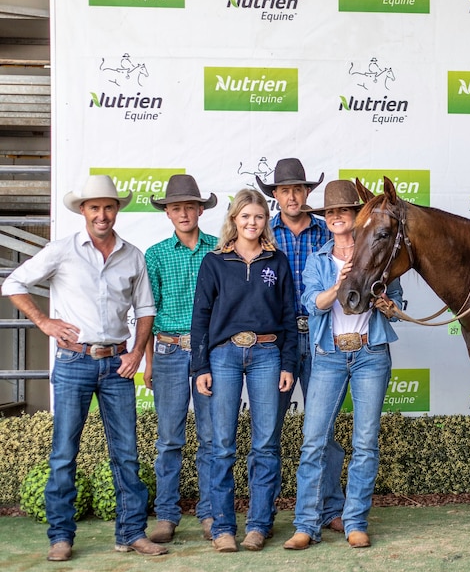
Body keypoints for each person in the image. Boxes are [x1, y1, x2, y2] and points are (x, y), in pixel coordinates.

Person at [1, 175, 167, 561]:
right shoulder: (61, 251)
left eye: (108, 206)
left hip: (116, 364)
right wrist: (44, 322)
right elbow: (13, 283)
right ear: (82, 211)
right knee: (64, 453)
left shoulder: (133, 255)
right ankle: (61, 537)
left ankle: (132, 534)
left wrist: (137, 352)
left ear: (117, 209)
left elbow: (145, 310)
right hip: (74, 361)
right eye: (94, 207)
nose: (102, 214)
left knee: (125, 453)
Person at [282, 180, 402, 551]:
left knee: (365, 442)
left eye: (343, 212)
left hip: (370, 353)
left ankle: (355, 522)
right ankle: (306, 524)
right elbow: (312, 303)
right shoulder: (319, 259)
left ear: (356, 217)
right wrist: (339, 283)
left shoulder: (379, 254)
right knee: (314, 440)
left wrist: (388, 306)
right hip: (329, 355)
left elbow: (397, 307)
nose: (336, 218)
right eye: (330, 213)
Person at [191, 188, 299, 553]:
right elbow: (201, 318)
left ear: (265, 221)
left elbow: (288, 316)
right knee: (222, 445)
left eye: (258, 217)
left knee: (266, 444)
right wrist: (200, 366)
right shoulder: (215, 262)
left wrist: (288, 363)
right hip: (223, 356)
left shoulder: (277, 261)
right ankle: (223, 527)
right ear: (234, 220)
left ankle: (258, 525)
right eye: (245, 216)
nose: (252, 223)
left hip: (268, 353)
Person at [256, 158, 346, 533]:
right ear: (274, 196)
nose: (291, 196)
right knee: (268, 429)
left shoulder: (329, 234)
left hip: (323, 333)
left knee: (323, 430)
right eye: (283, 190)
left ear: (307, 193)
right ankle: (264, 512)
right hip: (277, 339)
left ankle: (331, 510)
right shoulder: (263, 234)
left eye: (298, 189)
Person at [143, 174, 218, 544]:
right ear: (167, 213)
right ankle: (167, 516)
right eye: (176, 207)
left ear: (200, 209)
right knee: (169, 438)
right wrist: (149, 361)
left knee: (210, 436)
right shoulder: (154, 255)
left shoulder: (219, 250)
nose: (183, 212)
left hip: (209, 351)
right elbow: (146, 310)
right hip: (168, 350)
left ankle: (208, 513)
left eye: (190, 205)